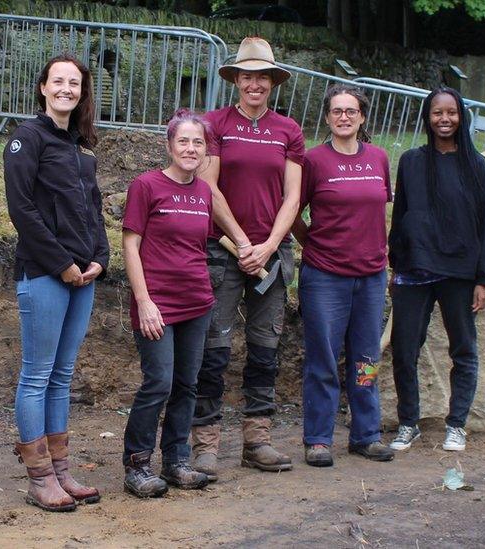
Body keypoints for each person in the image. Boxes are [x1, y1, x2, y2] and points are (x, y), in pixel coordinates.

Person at [191, 37, 305, 480]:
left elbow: (293, 196)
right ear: (236, 79)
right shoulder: (216, 124)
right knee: (214, 350)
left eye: (262, 76)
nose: (254, 83)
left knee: (265, 350)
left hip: (272, 255)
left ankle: (257, 441)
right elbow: (209, 187)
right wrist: (241, 242)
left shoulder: (288, 130)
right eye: (246, 75)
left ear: (273, 82)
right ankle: (205, 446)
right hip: (222, 252)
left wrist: (270, 246)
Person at [3, 54, 109, 512]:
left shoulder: (81, 145)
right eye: (58, 81)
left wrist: (100, 261)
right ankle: (39, 477)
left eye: (75, 83)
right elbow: (22, 210)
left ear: (82, 92)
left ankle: (62, 472)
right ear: (43, 87)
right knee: (37, 376)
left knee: (61, 376)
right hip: (45, 274)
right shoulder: (27, 139)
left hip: (83, 277)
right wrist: (62, 263)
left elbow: (93, 208)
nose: (67, 89)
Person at [387, 86, 485, 453]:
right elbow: (401, 214)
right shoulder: (412, 161)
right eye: (437, 113)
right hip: (414, 270)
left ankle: (457, 424)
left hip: (460, 272)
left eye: (451, 112)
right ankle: (408, 423)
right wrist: (395, 263)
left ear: (461, 115)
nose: (444, 119)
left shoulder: (476, 165)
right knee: (405, 349)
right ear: (427, 117)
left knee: (463, 349)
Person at [292, 85, 395, 467]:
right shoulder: (313, 161)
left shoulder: (379, 159)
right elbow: (293, 214)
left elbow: (380, 212)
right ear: (327, 117)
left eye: (351, 111)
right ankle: (318, 439)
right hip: (325, 277)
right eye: (337, 111)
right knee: (322, 357)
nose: (344, 117)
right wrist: (313, 245)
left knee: (367, 358)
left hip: (370, 277)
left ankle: (366, 434)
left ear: (362, 117)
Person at [120, 110, 215, 498]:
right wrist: (144, 301)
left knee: (187, 384)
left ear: (206, 150)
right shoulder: (146, 186)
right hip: (156, 303)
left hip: (197, 301)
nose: (190, 149)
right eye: (183, 141)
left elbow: (197, 246)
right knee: (158, 381)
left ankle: (176, 460)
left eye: (198, 142)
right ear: (169, 145)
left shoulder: (205, 192)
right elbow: (130, 245)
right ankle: (137, 464)